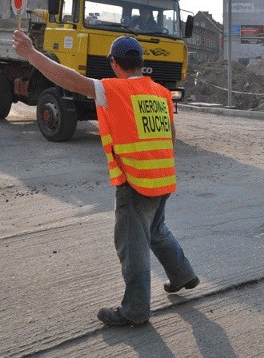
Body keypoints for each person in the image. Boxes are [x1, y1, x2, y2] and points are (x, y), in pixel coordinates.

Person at [12, 30, 199, 327]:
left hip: (135, 181)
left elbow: (67, 79)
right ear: (140, 62)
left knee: (132, 244)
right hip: (162, 178)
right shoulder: (161, 93)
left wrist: (32, 55)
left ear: (114, 63)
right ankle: (183, 274)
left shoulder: (114, 90)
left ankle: (135, 310)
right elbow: (170, 136)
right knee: (157, 230)